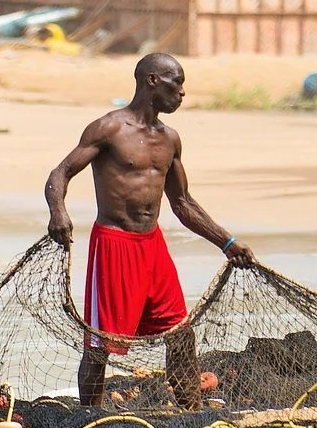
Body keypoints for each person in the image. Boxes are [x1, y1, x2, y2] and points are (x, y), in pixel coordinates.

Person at [45, 53, 253, 407]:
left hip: (153, 246)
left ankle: (192, 412)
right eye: (177, 83)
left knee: (181, 334)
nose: (182, 93)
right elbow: (60, 174)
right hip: (114, 244)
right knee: (99, 344)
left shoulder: (170, 139)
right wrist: (58, 212)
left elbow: (183, 203)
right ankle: (90, 418)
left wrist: (226, 242)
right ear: (152, 81)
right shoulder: (108, 129)